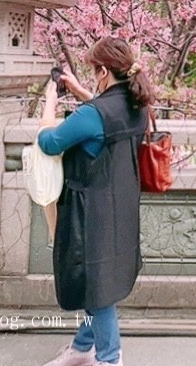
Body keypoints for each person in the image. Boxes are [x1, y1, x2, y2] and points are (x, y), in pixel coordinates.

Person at [36, 37, 154, 366]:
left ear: (103, 71)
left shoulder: (94, 113)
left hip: (90, 211)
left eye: (94, 71)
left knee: (98, 286)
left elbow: (50, 142)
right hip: (121, 206)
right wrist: (81, 93)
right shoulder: (138, 104)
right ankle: (83, 346)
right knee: (99, 279)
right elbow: (107, 121)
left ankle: (109, 357)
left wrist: (49, 102)